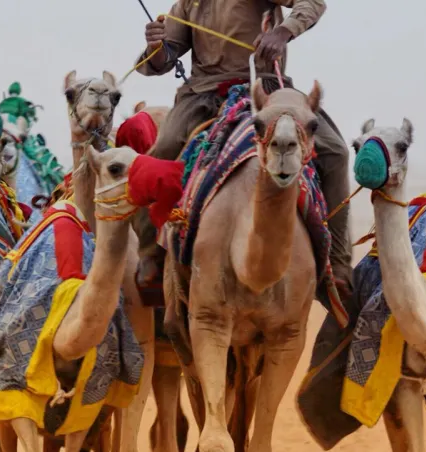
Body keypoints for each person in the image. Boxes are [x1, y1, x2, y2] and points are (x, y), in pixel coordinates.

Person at [131, 0, 353, 304]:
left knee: (336, 153)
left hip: (269, 87)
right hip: (204, 92)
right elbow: (163, 59)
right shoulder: (187, 4)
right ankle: (151, 256)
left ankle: (338, 265)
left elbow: (312, 3)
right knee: (161, 153)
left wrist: (284, 31)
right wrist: (156, 47)